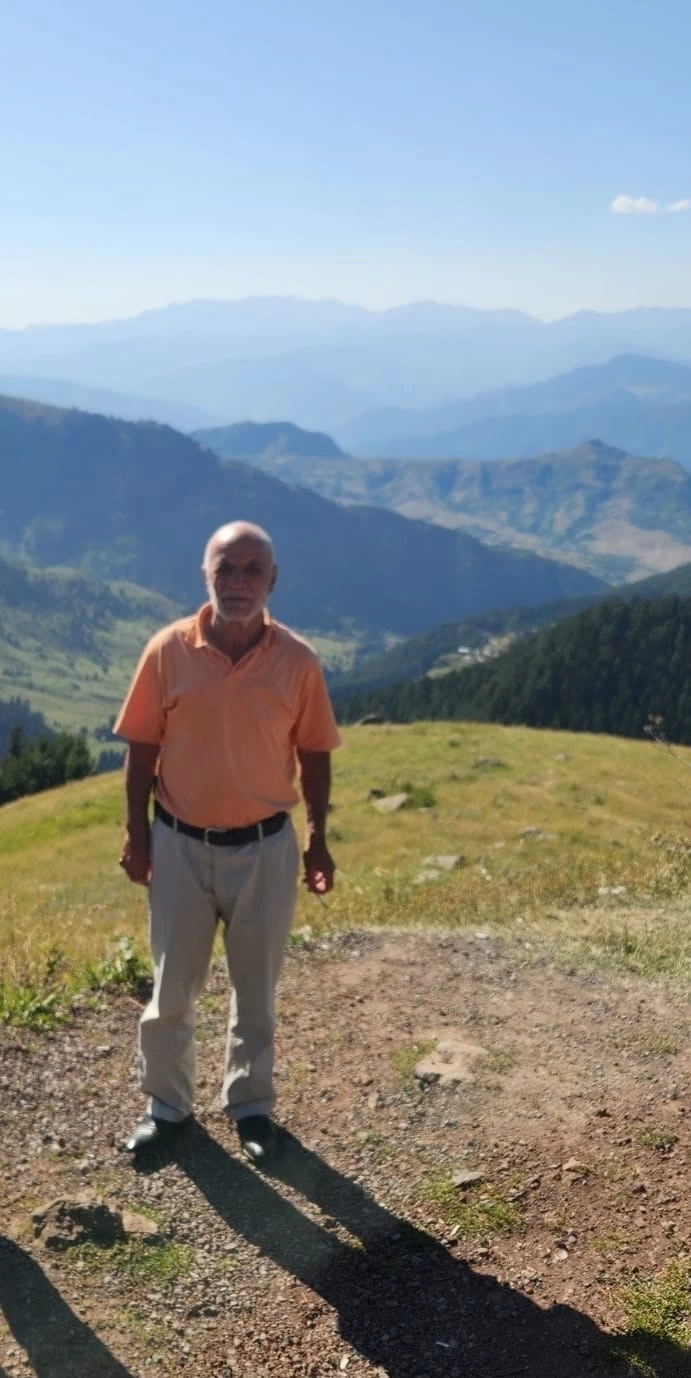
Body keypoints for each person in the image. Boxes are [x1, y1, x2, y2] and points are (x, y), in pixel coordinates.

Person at [114, 520, 341, 1165]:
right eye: (226, 568)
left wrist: (317, 839)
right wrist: (136, 833)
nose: (238, 582)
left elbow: (315, 753)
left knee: (256, 989)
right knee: (171, 989)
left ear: (273, 580)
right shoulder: (167, 651)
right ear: (205, 575)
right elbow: (142, 750)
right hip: (179, 844)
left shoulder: (298, 661)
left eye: (252, 569)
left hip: (267, 847)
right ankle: (166, 1109)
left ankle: (251, 1107)